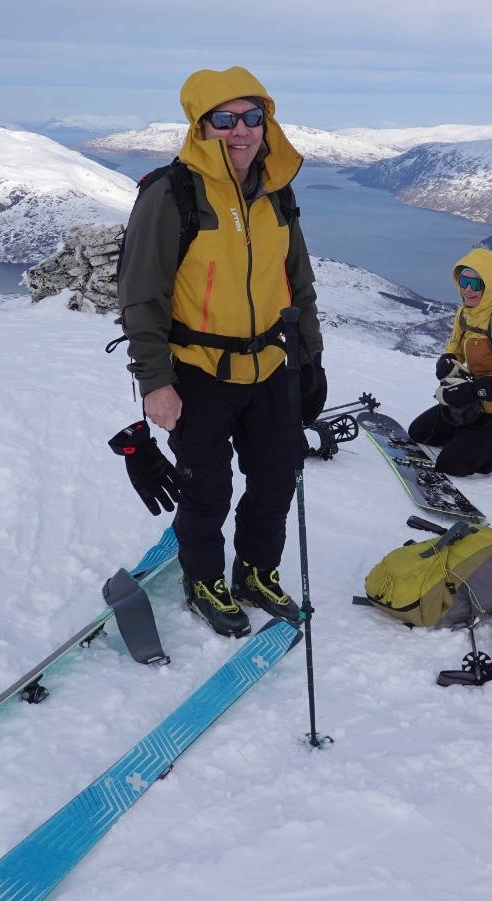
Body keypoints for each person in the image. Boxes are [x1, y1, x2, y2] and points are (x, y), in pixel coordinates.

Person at [116, 66, 324, 638]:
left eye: (252, 116)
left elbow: (296, 282)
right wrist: (155, 380)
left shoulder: (277, 190)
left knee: (277, 478)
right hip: (199, 370)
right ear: (200, 124)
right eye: (225, 119)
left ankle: (256, 571)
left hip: (270, 367)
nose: (242, 130)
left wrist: (310, 359)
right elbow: (140, 293)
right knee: (206, 487)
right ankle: (203, 578)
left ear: (266, 121)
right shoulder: (172, 192)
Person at [407, 247, 492, 476]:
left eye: (476, 284)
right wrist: (447, 360)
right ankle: (470, 438)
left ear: (491, 284)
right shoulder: (464, 313)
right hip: (470, 405)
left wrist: (479, 390)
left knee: (452, 465)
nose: (467, 289)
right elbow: (454, 347)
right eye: (464, 280)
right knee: (418, 433)